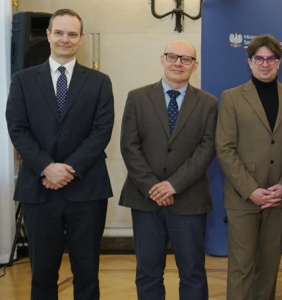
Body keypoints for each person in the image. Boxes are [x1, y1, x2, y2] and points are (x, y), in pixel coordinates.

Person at [5, 8, 114, 299]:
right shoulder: (23, 80)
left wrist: (67, 169)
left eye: (72, 34)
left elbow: (101, 132)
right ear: (49, 35)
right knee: (41, 272)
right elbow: (17, 129)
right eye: (60, 32)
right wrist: (46, 167)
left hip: (87, 188)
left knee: (87, 271)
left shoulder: (99, 81)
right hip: (38, 190)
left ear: (80, 38)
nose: (65, 39)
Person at [119, 40, 217, 300]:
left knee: (193, 271)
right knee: (148, 271)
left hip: (189, 199)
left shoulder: (209, 103)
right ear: (162, 59)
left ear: (195, 66)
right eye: (172, 56)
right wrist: (153, 186)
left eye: (186, 59)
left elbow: (206, 150)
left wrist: (173, 185)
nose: (178, 63)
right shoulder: (138, 97)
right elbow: (129, 146)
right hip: (145, 199)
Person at [215, 34, 282, 300]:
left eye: (271, 58)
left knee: (269, 267)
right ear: (249, 62)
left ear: (279, 61)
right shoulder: (231, 98)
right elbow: (225, 149)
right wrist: (251, 189)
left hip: (278, 198)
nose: (265, 64)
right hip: (243, 197)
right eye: (259, 58)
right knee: (241, 267)